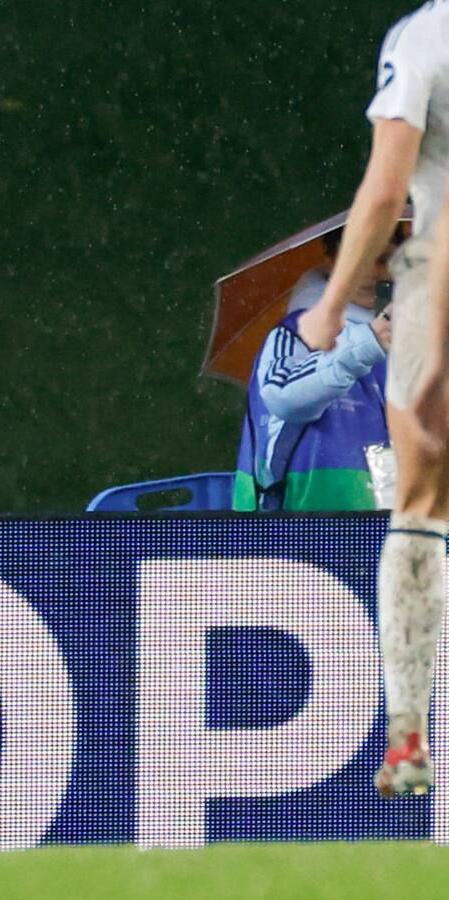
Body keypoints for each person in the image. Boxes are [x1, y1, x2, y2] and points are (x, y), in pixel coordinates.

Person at [298, 3, 449, 797]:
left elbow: (387, 181)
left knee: (423, 507)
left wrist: (328, 311)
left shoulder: (425, 36)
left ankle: (408, 735)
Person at [232, 227, 401, 511]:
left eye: (383, 259)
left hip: (386, 535)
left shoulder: (413, 343)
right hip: (297, 533)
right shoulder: (294, 333)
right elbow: (284, 396)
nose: (372, 272)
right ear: (331, 262)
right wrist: (371, 340)